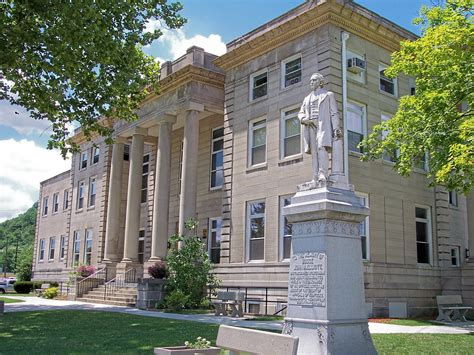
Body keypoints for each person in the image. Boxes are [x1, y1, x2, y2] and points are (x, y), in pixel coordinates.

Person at [298, 73, 343, 184]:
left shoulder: (328, 95)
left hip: (323, 125)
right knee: (314, 152)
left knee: (321, 148)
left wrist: (336, 127)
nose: (311, 82)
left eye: (314, 80)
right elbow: (300, 113)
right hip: (310, 126)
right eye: (310, 81)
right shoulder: (307, 98)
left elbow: (334, 113)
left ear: (320, 82)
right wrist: (306, 119)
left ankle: (323, 174)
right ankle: (315, 176)